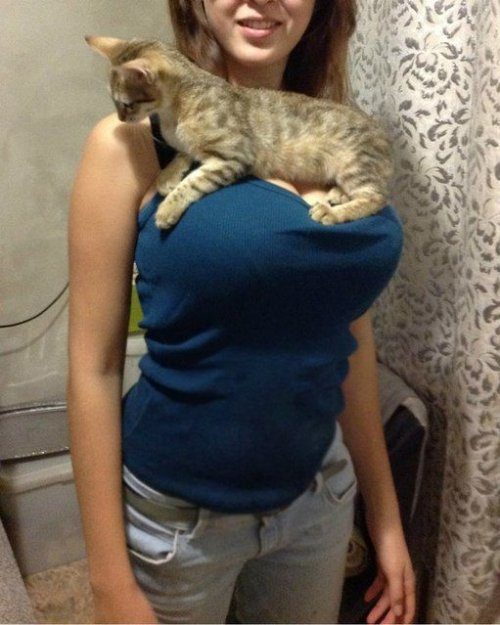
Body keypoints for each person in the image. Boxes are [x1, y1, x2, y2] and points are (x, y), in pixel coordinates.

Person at [67, 0, 416, 623]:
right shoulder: (131, 142)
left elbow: (349, 338)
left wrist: (385, 519)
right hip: (179, 524)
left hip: (319, 497)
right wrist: (107, 582)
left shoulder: (334, 130)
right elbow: (93, 369)